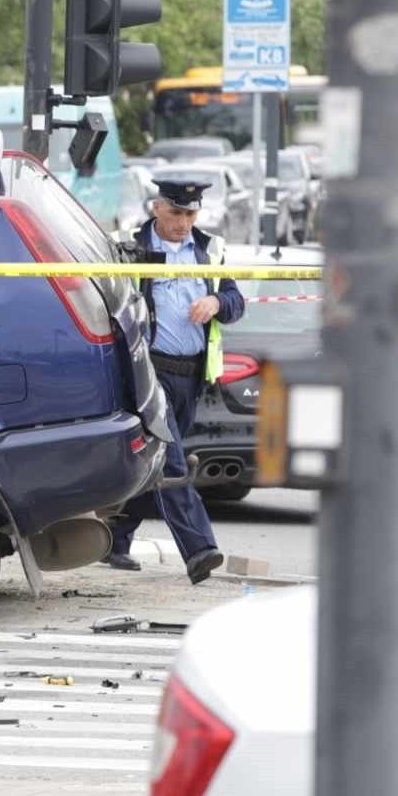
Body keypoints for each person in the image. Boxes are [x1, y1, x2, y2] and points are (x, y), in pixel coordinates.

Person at [104, 178, 245, 584]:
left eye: (191, 214)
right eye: (177, 213)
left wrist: (217, 301)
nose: (184, 222)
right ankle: (200, 549)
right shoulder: (129, 248)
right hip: (149, 370)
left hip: (192, 375)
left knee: (157, 460)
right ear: (157, 209)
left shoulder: (209, 250)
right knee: (173, 461)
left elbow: (236, 303)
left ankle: (115, 538)